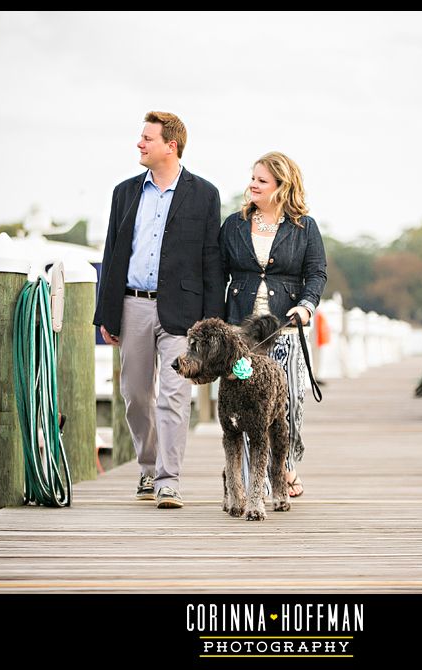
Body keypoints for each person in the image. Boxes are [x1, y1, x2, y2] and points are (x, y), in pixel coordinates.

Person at [93, 111, 225, 509]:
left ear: (171, 145)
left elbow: (211, 261)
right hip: (132, 305)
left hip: (183, 314)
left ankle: (169, 479)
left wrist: (212, 325)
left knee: (173, 395)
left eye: (147, 138)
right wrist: (107, 314)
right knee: (134, 394)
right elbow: (112, 254)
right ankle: (148, 468)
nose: (139, 144)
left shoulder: (204, 194)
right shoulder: (125, 192)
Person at [218, 151, 327, 498]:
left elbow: (317, 273)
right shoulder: (234, 224)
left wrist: (307, 306)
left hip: (286, 328)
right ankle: (259, 483)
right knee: (246, 406)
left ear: (282, 186)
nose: (253, 184)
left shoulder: (304, 227)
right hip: (242, 333)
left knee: (289, 402)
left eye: (261, 180)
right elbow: (218, 272)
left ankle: (286, 462)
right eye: (252, 177)